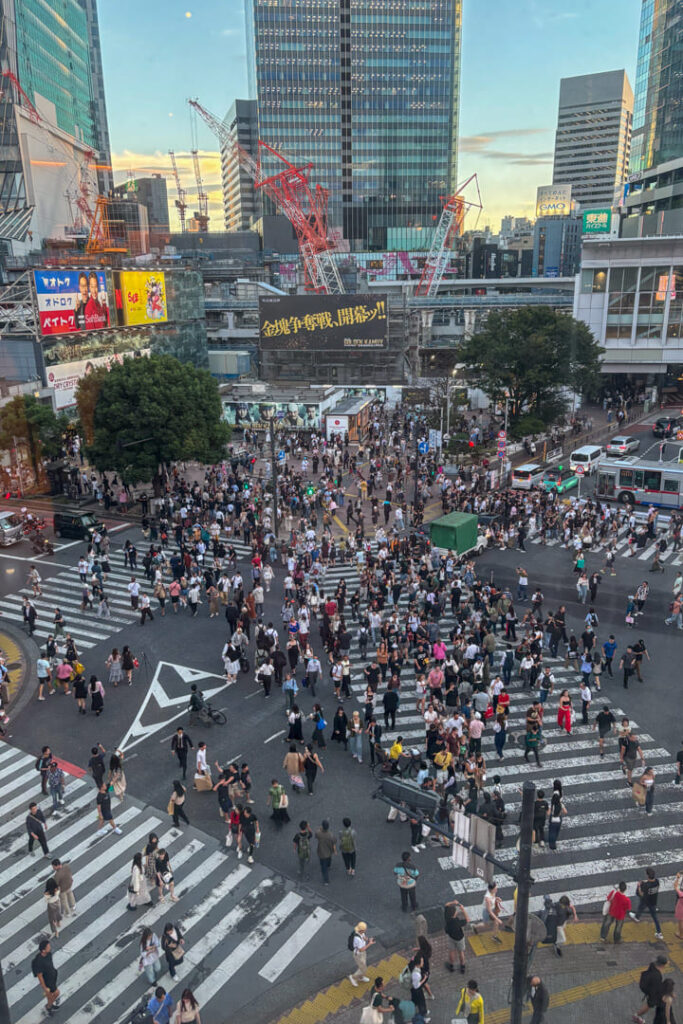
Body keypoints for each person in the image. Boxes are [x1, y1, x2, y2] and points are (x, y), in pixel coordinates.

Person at [633, 954, 669, 1024]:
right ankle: (636, 1016)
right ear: (662, 965)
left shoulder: (653, 965)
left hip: (648, 986)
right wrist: (652, 1000)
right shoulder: (657, 976)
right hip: (651, 991)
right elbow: (654, 990)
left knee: (651, 1004)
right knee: (649, 1005)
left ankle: (637, 1015)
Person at [630, 868, 663, 939]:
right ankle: (659, 933)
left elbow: (641, 894)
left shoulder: (646, 885)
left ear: (647, 875)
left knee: (640, 908)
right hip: (653, 902)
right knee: (655, 917)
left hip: (646, 901)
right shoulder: (657, 882)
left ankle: (636, 918)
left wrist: (639, 886)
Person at [31, 938, 60, 1015]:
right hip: (47, 981)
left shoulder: (49, 954)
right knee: (56, 993)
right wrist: (45, 988)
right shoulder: (39, 961)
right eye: (48, 947)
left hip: (52, 977)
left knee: (50, 995)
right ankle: (48, 1007)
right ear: (43, 950)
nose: (50, 947)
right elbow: (40, 976)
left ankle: (49, 1005)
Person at [444, 898, 470, 974]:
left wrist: (453, 902)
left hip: (451, 936)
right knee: (461, 952)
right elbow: (467, 920)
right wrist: (463, 910)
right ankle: (462, 967)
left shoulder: (447, 916)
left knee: (451, 951)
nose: (456, 911)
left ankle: (451, 966)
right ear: (454, 914)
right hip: (459, 938)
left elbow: (446, 905)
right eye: (456, 911)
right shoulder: (457, 921)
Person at [348, 921, 374, 986]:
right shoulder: (357, 939)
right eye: (365, 930)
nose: (365, 930)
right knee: (363, 968)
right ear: (362, 930)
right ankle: (353, 977)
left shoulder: (360, 933)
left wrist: (368, 940)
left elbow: (364, 937)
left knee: (363, 966)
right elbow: (361, 949)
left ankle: (360, 977)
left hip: (362, 953)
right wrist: (369, 944)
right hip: (358, 954)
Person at [315, 819, 337, 884]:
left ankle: (326, 881)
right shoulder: (331, 835)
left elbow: (316, 834)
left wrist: (320, 828)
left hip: (321, 852)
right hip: (329, 851)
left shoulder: (318, 833)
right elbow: (334, 842)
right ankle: (329, 866)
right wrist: (335, 851)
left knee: (323, 868)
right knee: (329, 859)